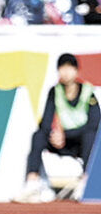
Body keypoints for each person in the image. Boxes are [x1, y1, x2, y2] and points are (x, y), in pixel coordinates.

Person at [16, 53, 99, 202]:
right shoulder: (55, 91)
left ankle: (86, 182)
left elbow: (95, 123)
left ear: (76, 71)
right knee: (38, 135)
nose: (66, 72)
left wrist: (65, 135)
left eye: (69, 68)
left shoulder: (88, 92)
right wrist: (54, 136)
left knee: (90, 136)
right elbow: (45, 122)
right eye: (62, 68)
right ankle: (32, 183)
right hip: (61, 142)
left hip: (80, 142)